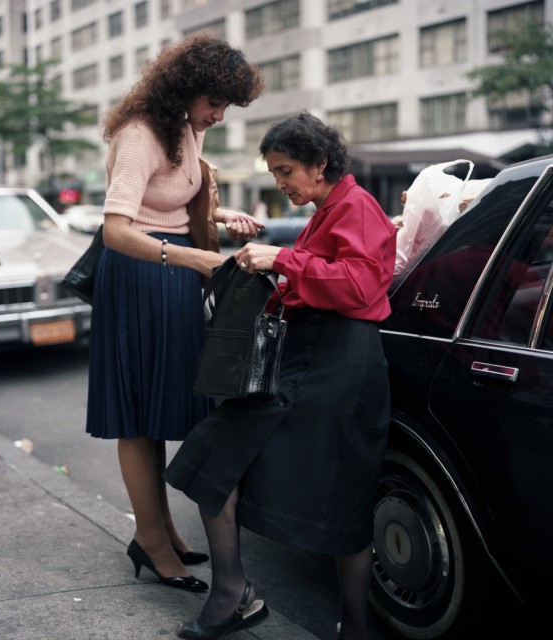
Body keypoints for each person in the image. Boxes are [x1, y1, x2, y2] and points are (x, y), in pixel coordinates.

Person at [165, 110, 398, 639]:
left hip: (342, 367)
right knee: (214, 459)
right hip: (308, 360)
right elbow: (326, 281)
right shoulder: (328, 209)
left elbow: (360, 288)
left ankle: (354, 628)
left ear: (319, 165)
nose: (280, 183)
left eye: (286, 171)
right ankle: (232, 593)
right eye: (274, 173)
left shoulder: (356, 205)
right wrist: (277, 268)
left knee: (346, 500)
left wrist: (285, 260)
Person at [85, 35, 263, 594]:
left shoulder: (188, 128)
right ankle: (152, 540)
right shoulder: (140, 133)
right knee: (140, 414)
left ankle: (160, 528)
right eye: (215, 101)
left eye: (226, 105)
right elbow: (117, 230)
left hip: (174, 276)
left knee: (163, 408)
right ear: (186, 90)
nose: (219, 114)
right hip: (139, 277)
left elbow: (172, 197)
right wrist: (188, 255)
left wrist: (219, 212)